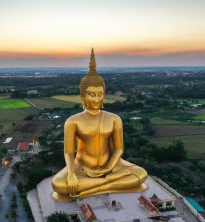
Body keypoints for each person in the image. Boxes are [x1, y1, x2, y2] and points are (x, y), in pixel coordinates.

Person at [51, 49, 147, 201]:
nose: (96, 100)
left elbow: (118, 148)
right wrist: (70, 174)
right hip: (82, 167)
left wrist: (109, 168)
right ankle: (108, 183)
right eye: (92, 94)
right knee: (58, 184)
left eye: (100, 94)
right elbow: (69, 152)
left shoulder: (114, 118)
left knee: (141, 174)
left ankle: (92, 187)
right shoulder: (73, 120)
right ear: (83, 95)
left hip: (113, 165)